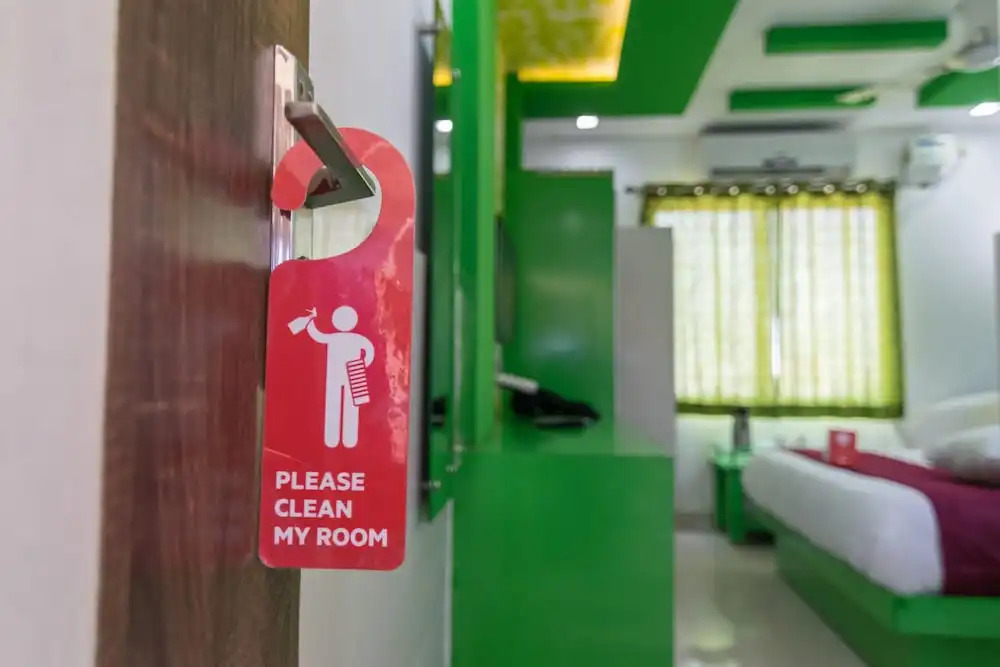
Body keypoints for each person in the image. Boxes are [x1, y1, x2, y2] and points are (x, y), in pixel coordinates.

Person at [292, 305, 374, 448]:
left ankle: (342, 439)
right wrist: (361, 366)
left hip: (346, 376)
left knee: (344, 407)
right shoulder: (354, 339)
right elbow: (369, 352)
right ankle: (339, 439)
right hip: (341, 376)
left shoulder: (341, 338)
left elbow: (318, 335)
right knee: (341, 406)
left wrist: (360, 366)